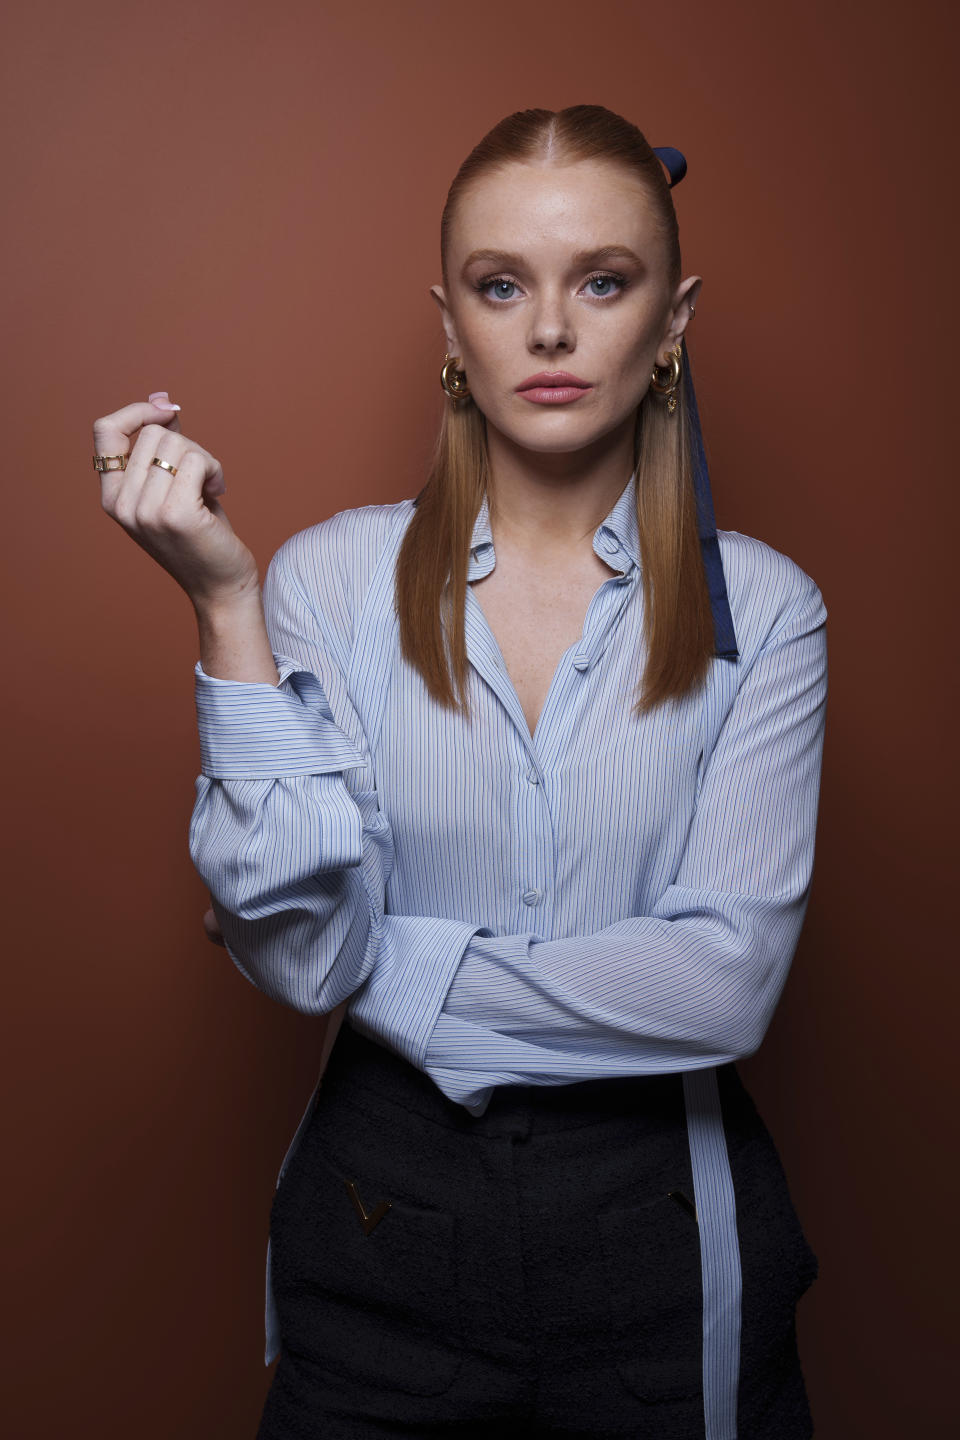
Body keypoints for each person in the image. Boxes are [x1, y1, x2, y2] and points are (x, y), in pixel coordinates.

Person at [93, 105, 827, 1439]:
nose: (550, 331)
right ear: (450, 324)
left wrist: (389, 958)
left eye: (604, 282)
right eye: (503, 287)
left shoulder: (768, 613)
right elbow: (305, 954)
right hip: (377, 1235)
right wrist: (225, 603)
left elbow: (723, 990)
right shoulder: (325, 578)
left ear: (674, 321)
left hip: (664, 1243)